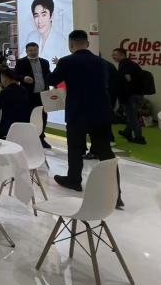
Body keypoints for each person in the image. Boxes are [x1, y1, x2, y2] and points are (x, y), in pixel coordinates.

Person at [47, 30, 122, 208]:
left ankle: (74, 180)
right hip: (101, 112)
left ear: (71, 44)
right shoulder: (102, 62)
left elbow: (52, 79)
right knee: (105, 152)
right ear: (87, 44)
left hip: (77, 112)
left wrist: (55, 69)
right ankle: (116, 194)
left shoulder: (66, 61)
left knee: (75, 149)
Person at [15, 41, 52, 148]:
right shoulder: (21, 62)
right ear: (26, 51)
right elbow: (15, 75)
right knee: (28, 116)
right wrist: (23, 78)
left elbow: (49, 76)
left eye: (35, 50)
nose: (33, 52)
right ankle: (28, 139)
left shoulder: (45, 62)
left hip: (43, 94)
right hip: (28, 95)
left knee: (43, 116)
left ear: (38, 50)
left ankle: (41, 138)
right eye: (30, 50)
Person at [112, 48, 147, 145]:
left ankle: (139, 137)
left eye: (115, 55)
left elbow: (128, 78)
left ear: (122, 55)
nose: (113, 57)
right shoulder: (131, 64)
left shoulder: (124, 64)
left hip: (131, 95)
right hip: (137, 94)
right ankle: (127, 131)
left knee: (132, 116)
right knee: (131, 115)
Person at [24, 0, 68, 67]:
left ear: (51, 16)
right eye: (36, 16)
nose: (39, 21)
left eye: (44, 15)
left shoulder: (62, 41)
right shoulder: (31, 36)